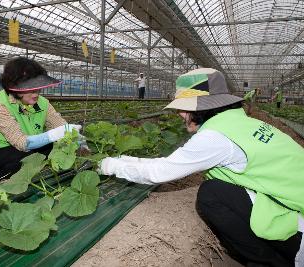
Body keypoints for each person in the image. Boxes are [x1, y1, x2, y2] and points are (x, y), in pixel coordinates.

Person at [98, 68, 304, 267]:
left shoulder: (215, 137)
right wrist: (123, 159)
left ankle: (271, 262)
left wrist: (109, 166)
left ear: (202, 107)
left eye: (184, 107)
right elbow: (165, 162)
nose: (179, 113)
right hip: (294, 202)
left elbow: (160, 172)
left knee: (211, 194)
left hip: (298, 229)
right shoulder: (237, 123)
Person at [0, 57, 82, 181]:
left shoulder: (43, 103)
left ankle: (31, 180)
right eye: (30, 89)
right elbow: (21, 142)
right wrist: (53, 135)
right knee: (27, 156)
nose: (36, 94)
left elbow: (59, 124)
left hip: (20, 149)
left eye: (38, 88)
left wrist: (74, 137)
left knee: (53, 148)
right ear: (13, 87)